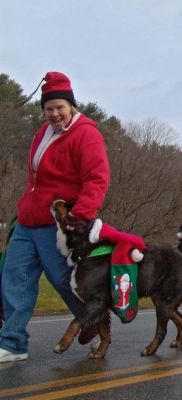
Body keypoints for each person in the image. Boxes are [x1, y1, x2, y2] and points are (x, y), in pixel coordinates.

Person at [0, 72, 110, 363]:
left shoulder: (86, 134)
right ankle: (13, 343)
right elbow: (34, 179)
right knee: (14, 277)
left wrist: (80, 215)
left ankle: (94, 320)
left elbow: (97, 179)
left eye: (59, 107)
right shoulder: (41, 134)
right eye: (48, 109)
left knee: (64, 279)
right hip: (28, 221)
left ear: (71, 105)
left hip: (59, 224)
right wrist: (24, 206)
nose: (54, 113)